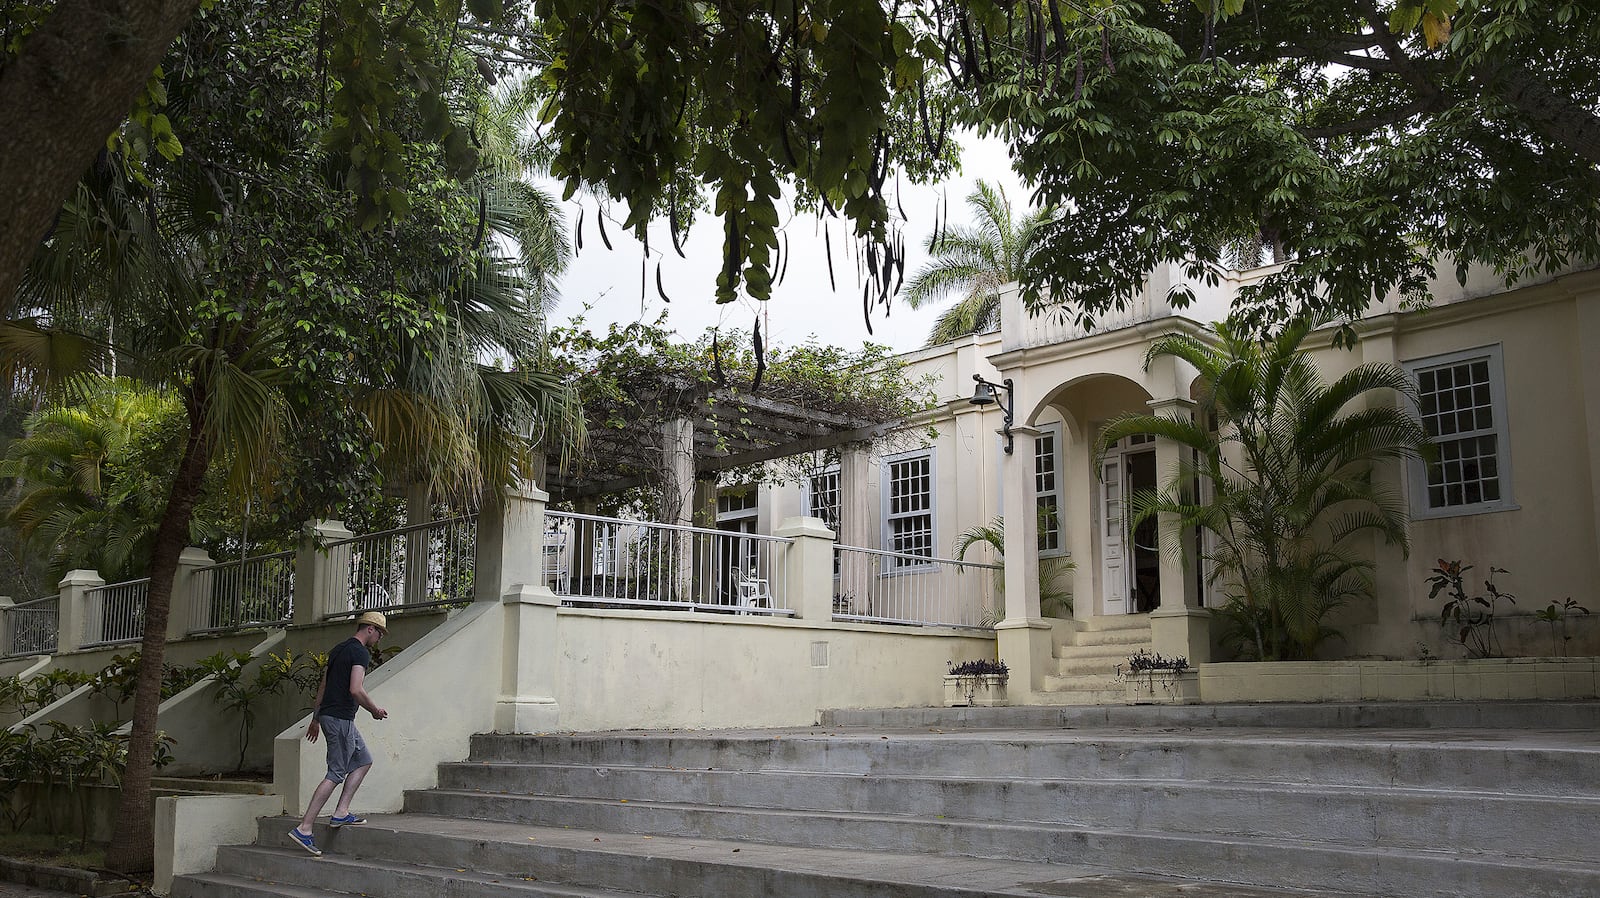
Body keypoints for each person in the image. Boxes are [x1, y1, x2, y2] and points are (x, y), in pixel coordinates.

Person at [288, 611, 389, 856]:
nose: (379, 639)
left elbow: (323, 685)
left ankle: (341, 813)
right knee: (335, 773)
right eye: (380, 634)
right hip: (341, 719)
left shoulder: (338, 649)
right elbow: (356, 689)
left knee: (363, 760)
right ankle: (304, 828)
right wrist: (375, 710)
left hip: (332, 717)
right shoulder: (360, 653)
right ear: (370, 629)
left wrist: (316, 718)